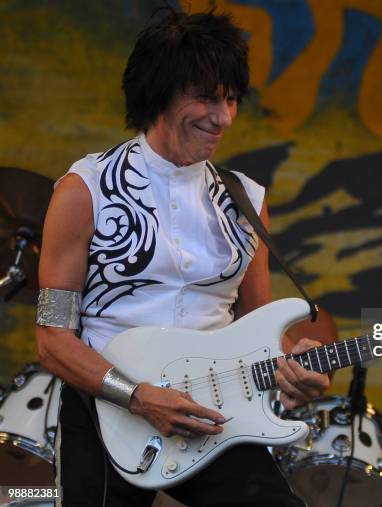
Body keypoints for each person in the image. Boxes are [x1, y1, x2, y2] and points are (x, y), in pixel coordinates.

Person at [35, 9, 329, 506]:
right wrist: (138, 396)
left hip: (215, 412)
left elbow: (259, 330)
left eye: (232, 100)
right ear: (160, 92)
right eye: (208, 98)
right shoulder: (84, 189)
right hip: (107, 409)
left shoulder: (247, 202)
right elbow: (52, 338)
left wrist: (291, 373)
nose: (224, 117)